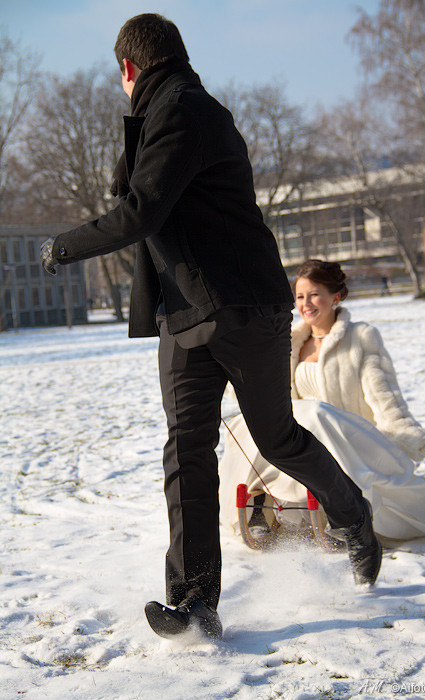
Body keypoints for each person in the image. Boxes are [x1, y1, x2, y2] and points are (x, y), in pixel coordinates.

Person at [40, 14, 381, 641]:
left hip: (241, 306)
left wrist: (61, 246)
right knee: (187, 449)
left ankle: (352, 512)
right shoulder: (164, 114)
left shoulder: (186, 111)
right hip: (186, 312)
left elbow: (140, 210)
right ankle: (196, 599)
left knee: (274, 438)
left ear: (127, 68)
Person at [219, 260, 425, 544]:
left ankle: (341, 514)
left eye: (314, 294)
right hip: (303, 431)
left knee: (310, 414)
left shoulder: (361, 337)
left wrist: (405, 432)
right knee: (253, 422)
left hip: (348, 435)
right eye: (300, 297)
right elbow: (262, 389)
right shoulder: (287, 341)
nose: (306, 303)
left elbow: (382, 392)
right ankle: (260, 504)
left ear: (335, 297)